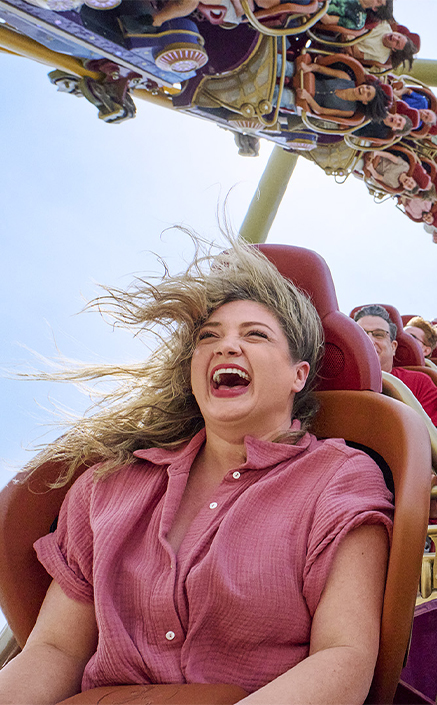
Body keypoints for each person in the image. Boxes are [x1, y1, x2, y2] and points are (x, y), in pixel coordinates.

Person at [0, 238, 393, 703]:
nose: (226, 345)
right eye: (208, 336)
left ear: (298, 375)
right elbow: (55, 650)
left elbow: (344, 656)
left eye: (255, 335)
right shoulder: (105, 486)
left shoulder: (340, 476)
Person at [354, 305, 437, 427]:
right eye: (361, 334)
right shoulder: (337, 383)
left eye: (379, 334)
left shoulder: (419, 383)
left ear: (393, 347)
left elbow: (428, 441)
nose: (369, 340)